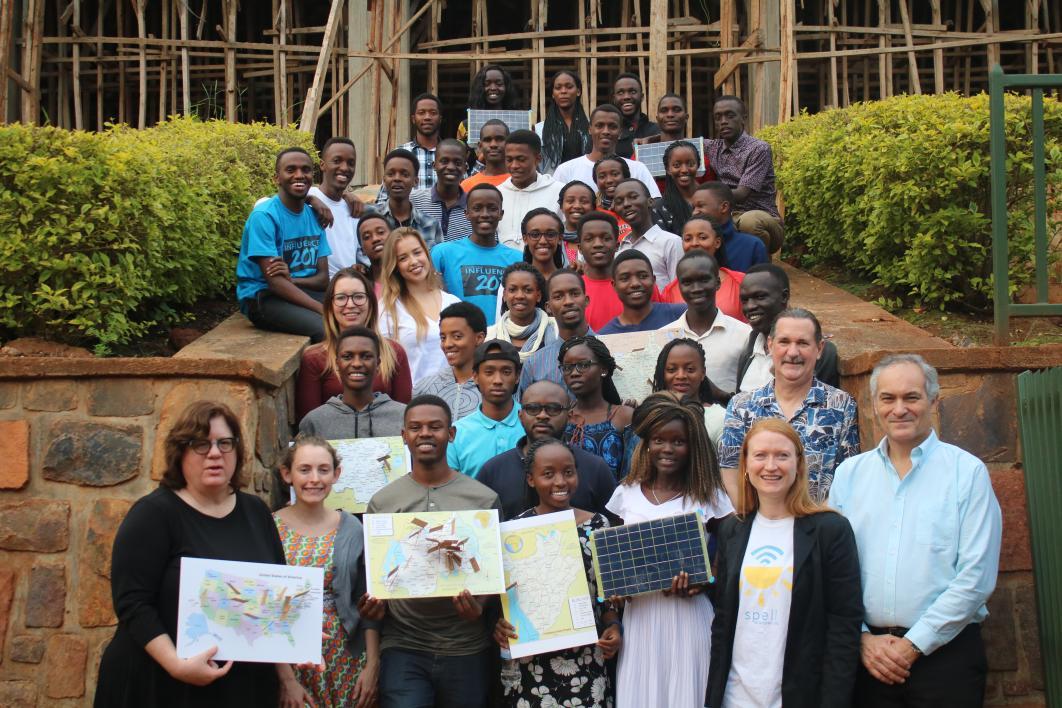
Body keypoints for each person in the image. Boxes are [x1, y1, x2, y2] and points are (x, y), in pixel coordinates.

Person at [829, 354, 1003, 708]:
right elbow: (834, 570)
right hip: (866, 659)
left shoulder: (966, 473)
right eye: (888, 398)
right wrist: (861, 639)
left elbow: (976, 578)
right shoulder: (849, 475)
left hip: (946, 658)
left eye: (912, 397)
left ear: (933, 401)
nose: (899, 409)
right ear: (874, 404)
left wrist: (914, 645)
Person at [94, 401, 288, 707]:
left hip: (240, 687)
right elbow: (132, 603)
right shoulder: (153, 514)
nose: (214, 453)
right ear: (180, 452)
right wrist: (176, 664)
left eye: (225, 443)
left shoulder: (256, 512)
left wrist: (296, 626)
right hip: (160, 683)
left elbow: (273, 594)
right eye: (200, 444)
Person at [706, 418, 863, 708]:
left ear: (799, 464)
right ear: (746, 464)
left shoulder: (830, 531)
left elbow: (843, 627)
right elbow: (724, 620)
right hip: (735, 696)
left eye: (782, 455)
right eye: (760, 455)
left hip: (797, 696)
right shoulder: (732, 530)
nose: (771, 465)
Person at [367, 395, 502, 708]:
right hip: (404, 644)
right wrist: (373, 605)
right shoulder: (383, 503)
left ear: (451, 434)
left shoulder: (483, 500)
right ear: (404, 436)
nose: (425, 433)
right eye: (415, 427)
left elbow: (497, 571)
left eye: (435, 427)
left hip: (466, 645)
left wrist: (479, 605)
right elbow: (376, 576)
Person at [605, 392, 733, 708]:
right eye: (659, 439)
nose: (668, 448)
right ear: (647, 442)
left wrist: (709, 578)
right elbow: (610, 557)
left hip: (689, 617)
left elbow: (735, 549)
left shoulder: (708, 496)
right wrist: (617, 590)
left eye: (678, 441)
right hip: (641, 619)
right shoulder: (626, 493)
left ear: (693, 447)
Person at [492, 437, 621, 707]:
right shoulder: (514, 531)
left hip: (587, 660)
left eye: (568, 472)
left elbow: (607, 594)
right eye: (548, 474)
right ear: (531, 479)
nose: (560, 482)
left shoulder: (598, 525)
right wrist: (501, 626)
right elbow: (508, 600)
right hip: (532, 666)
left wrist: (613, 626)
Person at [274, 436, 384, 708]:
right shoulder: (270, 528)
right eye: (304, 469)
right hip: (291, 657)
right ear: (287, 474)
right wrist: (286, 678)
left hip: (346, 654)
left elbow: (365, 602)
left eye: (323, 470)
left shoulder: (351, 528)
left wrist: (372, 665)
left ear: (336, 474)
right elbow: (265, 607)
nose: (314, 479)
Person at [718, 308, 860, 504]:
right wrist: (752, 520)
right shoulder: (742, 407)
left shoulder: (841, 405)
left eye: (802, 343)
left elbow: (847, 475)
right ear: (770, 345)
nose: (792, 353)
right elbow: (730, 470)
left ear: (819, 349)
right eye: (784, 342)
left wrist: (817, 527)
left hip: (818, 527)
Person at [478, 381, 618, 521]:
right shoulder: (493, 471)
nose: (542, 415)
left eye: (553, 408)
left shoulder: (595, 468)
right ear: (520, 416)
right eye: (533, 408)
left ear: (569, 416)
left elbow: (615, 528)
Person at [236, 147, 331, 342]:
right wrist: (323, 310)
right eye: (291, 170)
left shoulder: (314, 215)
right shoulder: (264, 217)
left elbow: (323, 279)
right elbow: (275, 283)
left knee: (358, 312)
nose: (299, 175)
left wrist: (291, 279)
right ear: (276, 178)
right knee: (326, 329)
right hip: (264, 297)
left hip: (301, 290)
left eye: (305, 170)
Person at [296, 268, 412, 422]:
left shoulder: (394, 352)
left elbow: (404, 416)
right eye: (341, 298)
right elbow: (308, 424)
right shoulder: (314, 358)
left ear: (371, 303)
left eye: (358, 297)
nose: (350, 304)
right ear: (330, 305)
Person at [736, 263, 840, 392]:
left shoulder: (816, 352)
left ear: (784, 297)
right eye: (744, 300)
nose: (750, 306)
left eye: (760, 297)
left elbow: (817, 403)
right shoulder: (752, 344)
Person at [378, 227, 462, 384]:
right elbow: (383, 367)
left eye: (417, 252)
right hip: (409, 404)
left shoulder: (454, 303)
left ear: (426, 254)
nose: (414, 261)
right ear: (394, 266)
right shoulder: (386, 309)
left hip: (455, 402)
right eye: (403, 258)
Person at [430, 184, 523, 326]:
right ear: (466, 213)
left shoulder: (518, 259)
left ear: (501, 214)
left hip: (503, 340)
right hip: (459, 337)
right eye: (477, 208)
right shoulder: (443, 253)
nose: (485, 214)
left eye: (492, 208)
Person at [662, 249, 752, 392]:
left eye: (704, 280)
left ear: (717, 283)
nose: (696, 288)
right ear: (679, 287)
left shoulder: (745, 334)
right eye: (687, 282)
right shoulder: (663, 336)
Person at [705, 96, 783, 253]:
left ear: (743, 119)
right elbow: (678, 142)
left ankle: (760, 268)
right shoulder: (713, 147)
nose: (723, 121)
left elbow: (742, 194)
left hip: (762, 218)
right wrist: (650, 138)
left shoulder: (758, 149)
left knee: (749, 222)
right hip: (728, 216)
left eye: (730, 115)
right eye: (718, 117)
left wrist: (704, 196)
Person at [300, 326, 407, 439]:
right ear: (337, 364)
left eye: (366, 356)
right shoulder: (315, 421)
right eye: (347, 357)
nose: (356, 364)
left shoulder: (403, 416)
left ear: (378, 364)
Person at [447, 340, 525, 479]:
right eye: (489, 372)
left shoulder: (533, 424)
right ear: (475, 377)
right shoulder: (457, 433)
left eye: (506, 372)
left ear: (517, 376)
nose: (498, 380)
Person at [560, 335, 634, 479]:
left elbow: (634, 475)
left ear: (603, 369)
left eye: (583, 365)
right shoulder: (560, 417)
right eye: (567, 367)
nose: (574, 373)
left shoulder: (624, 416)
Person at [553, 104, 661, 199]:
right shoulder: (565, 171)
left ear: (620, 132)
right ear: (589, 129)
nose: (605, 131)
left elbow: (654, 204)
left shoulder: (638, 169)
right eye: (599, 126)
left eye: (612, 126)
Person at [518, 268, 595, 395]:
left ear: (586, 300)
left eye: (575, 294)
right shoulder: (534, 363)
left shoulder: (612, 350)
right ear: (548, 307)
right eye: (558, 296)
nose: (568, 301)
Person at [658, 216, 747, 323]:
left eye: (703, 237)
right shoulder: (670, 291)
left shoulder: (740, 282)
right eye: (688, 239)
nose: (694, 243)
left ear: (717, 242)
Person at [412, 302, 487, 422]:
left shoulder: (493, 387)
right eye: (443, 338)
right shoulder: (424, 388)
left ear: (479, 338)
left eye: (457, 336)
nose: (447, 344)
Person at [652, 338, 729, 446]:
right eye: (671, 370)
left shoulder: (719, 418)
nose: (681, 376)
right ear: (662, 374)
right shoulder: (652, 416)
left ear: (702, 373)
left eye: (690, 369)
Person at [308, 137, 367, 277]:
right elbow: (263, 204)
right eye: (337, 161)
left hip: (345, 289)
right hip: (314, 287)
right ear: (322, 165)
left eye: (351, 163)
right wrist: (308, 199)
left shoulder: (353, 208)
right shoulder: (308, 196)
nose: (345, 168)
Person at [497, 130, 564, 250]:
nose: (514, 166)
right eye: (509, 160)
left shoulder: (559, 192)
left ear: (538, 159)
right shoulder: (497, 194)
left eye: (521, 159)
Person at [613, 178, 684, 288]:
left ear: (650, 202)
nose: (626, 204)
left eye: (633, 197)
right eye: (619, 201)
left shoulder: (671, 242)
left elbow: (679, 290)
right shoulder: (619, 249)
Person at [598, 250, 686, 335]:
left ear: (653, 280)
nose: (635, 283)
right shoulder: (605, 336)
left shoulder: (682, 315)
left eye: (643, 276)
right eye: (625, 278)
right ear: (614, 285)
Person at [371, 148, 443, 248]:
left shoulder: (430, 224)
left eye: (405, 174)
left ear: (415, 181)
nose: (397, 178)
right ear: (384, 180)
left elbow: (438, 261)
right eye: (391, 174)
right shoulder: (370, 217)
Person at [690, 181, 769, 273]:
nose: (694, 212)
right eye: (693, 207)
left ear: (724, 207)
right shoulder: (691, 245)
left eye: (700, 206)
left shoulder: (753, 246)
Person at [487, 262, 557, 360]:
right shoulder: (489, 337)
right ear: (504, 295)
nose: (520, 296)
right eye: (512, 290)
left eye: (528, 290)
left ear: (538, 296)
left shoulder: (556, 331)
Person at [410, 139, 474, 243]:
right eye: (444, 161)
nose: (451, 167)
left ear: (465, 167)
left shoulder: (473, 207)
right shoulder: (414, 200)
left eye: (457, 163)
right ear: (434, 165)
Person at [534, 69, 592, 174]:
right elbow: (537, 166)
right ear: (553, 94)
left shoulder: (591, 127)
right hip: (553, 186)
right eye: (558, 88)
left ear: (578, 91)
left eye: (569, 87)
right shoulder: (540, 129)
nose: (563, 91)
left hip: (584, 184)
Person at [577, 211, 625, 331]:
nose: (598, 244)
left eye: (606, 238)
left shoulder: (639, 285)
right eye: (589, 239)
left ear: (617, 245)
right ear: (580, 248)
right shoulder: (573, 291)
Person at [458, 64, 522, 142]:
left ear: (507, 88)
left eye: (499, 84)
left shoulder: (520, 123)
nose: (493, 88)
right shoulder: (466, 126)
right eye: (486, 84)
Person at [653, 139, 701, 234]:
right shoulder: (659, 207)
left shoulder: (711, 199)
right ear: (668, 169)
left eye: (690, 164)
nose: (684, 170)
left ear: (698, 165)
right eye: (676, 165)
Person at [611, 72, 660, 158]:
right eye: (621, 92)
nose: (626, 97)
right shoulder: (608, 132)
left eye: (632, 91)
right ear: (614, 99)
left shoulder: (656, 130)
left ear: (642, 97)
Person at [592, 155, 635, 243]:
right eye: (602, 176)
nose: (609, 180)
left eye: (615, 174)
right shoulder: (593, 214)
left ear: (626, 176)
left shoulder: (639, 207)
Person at [516, 206, 566, 278]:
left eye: (550, 235)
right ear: (525, 239)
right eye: (535, 235)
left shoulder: (569, 280)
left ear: (560, 238)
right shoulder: (515, 280)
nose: (543, 241)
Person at [461, 119, 511, 189]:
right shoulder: (467, 186)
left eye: (499, 139)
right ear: (480, 146)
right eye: (487, 140)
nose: (493, 144)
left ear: (509, 144)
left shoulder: (520, 182)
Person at [558, 180, 596, 265]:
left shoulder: (601, 236)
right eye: (570, 201)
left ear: (593, 207)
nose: (577, 206)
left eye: (584, 201)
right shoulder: (553, 237)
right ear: (561, 206)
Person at [356, 213, 391, 292]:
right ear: (362, 250)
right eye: (367, 237)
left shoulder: (409, 276)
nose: (375, 239)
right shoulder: (360, 287)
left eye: (381, 232)